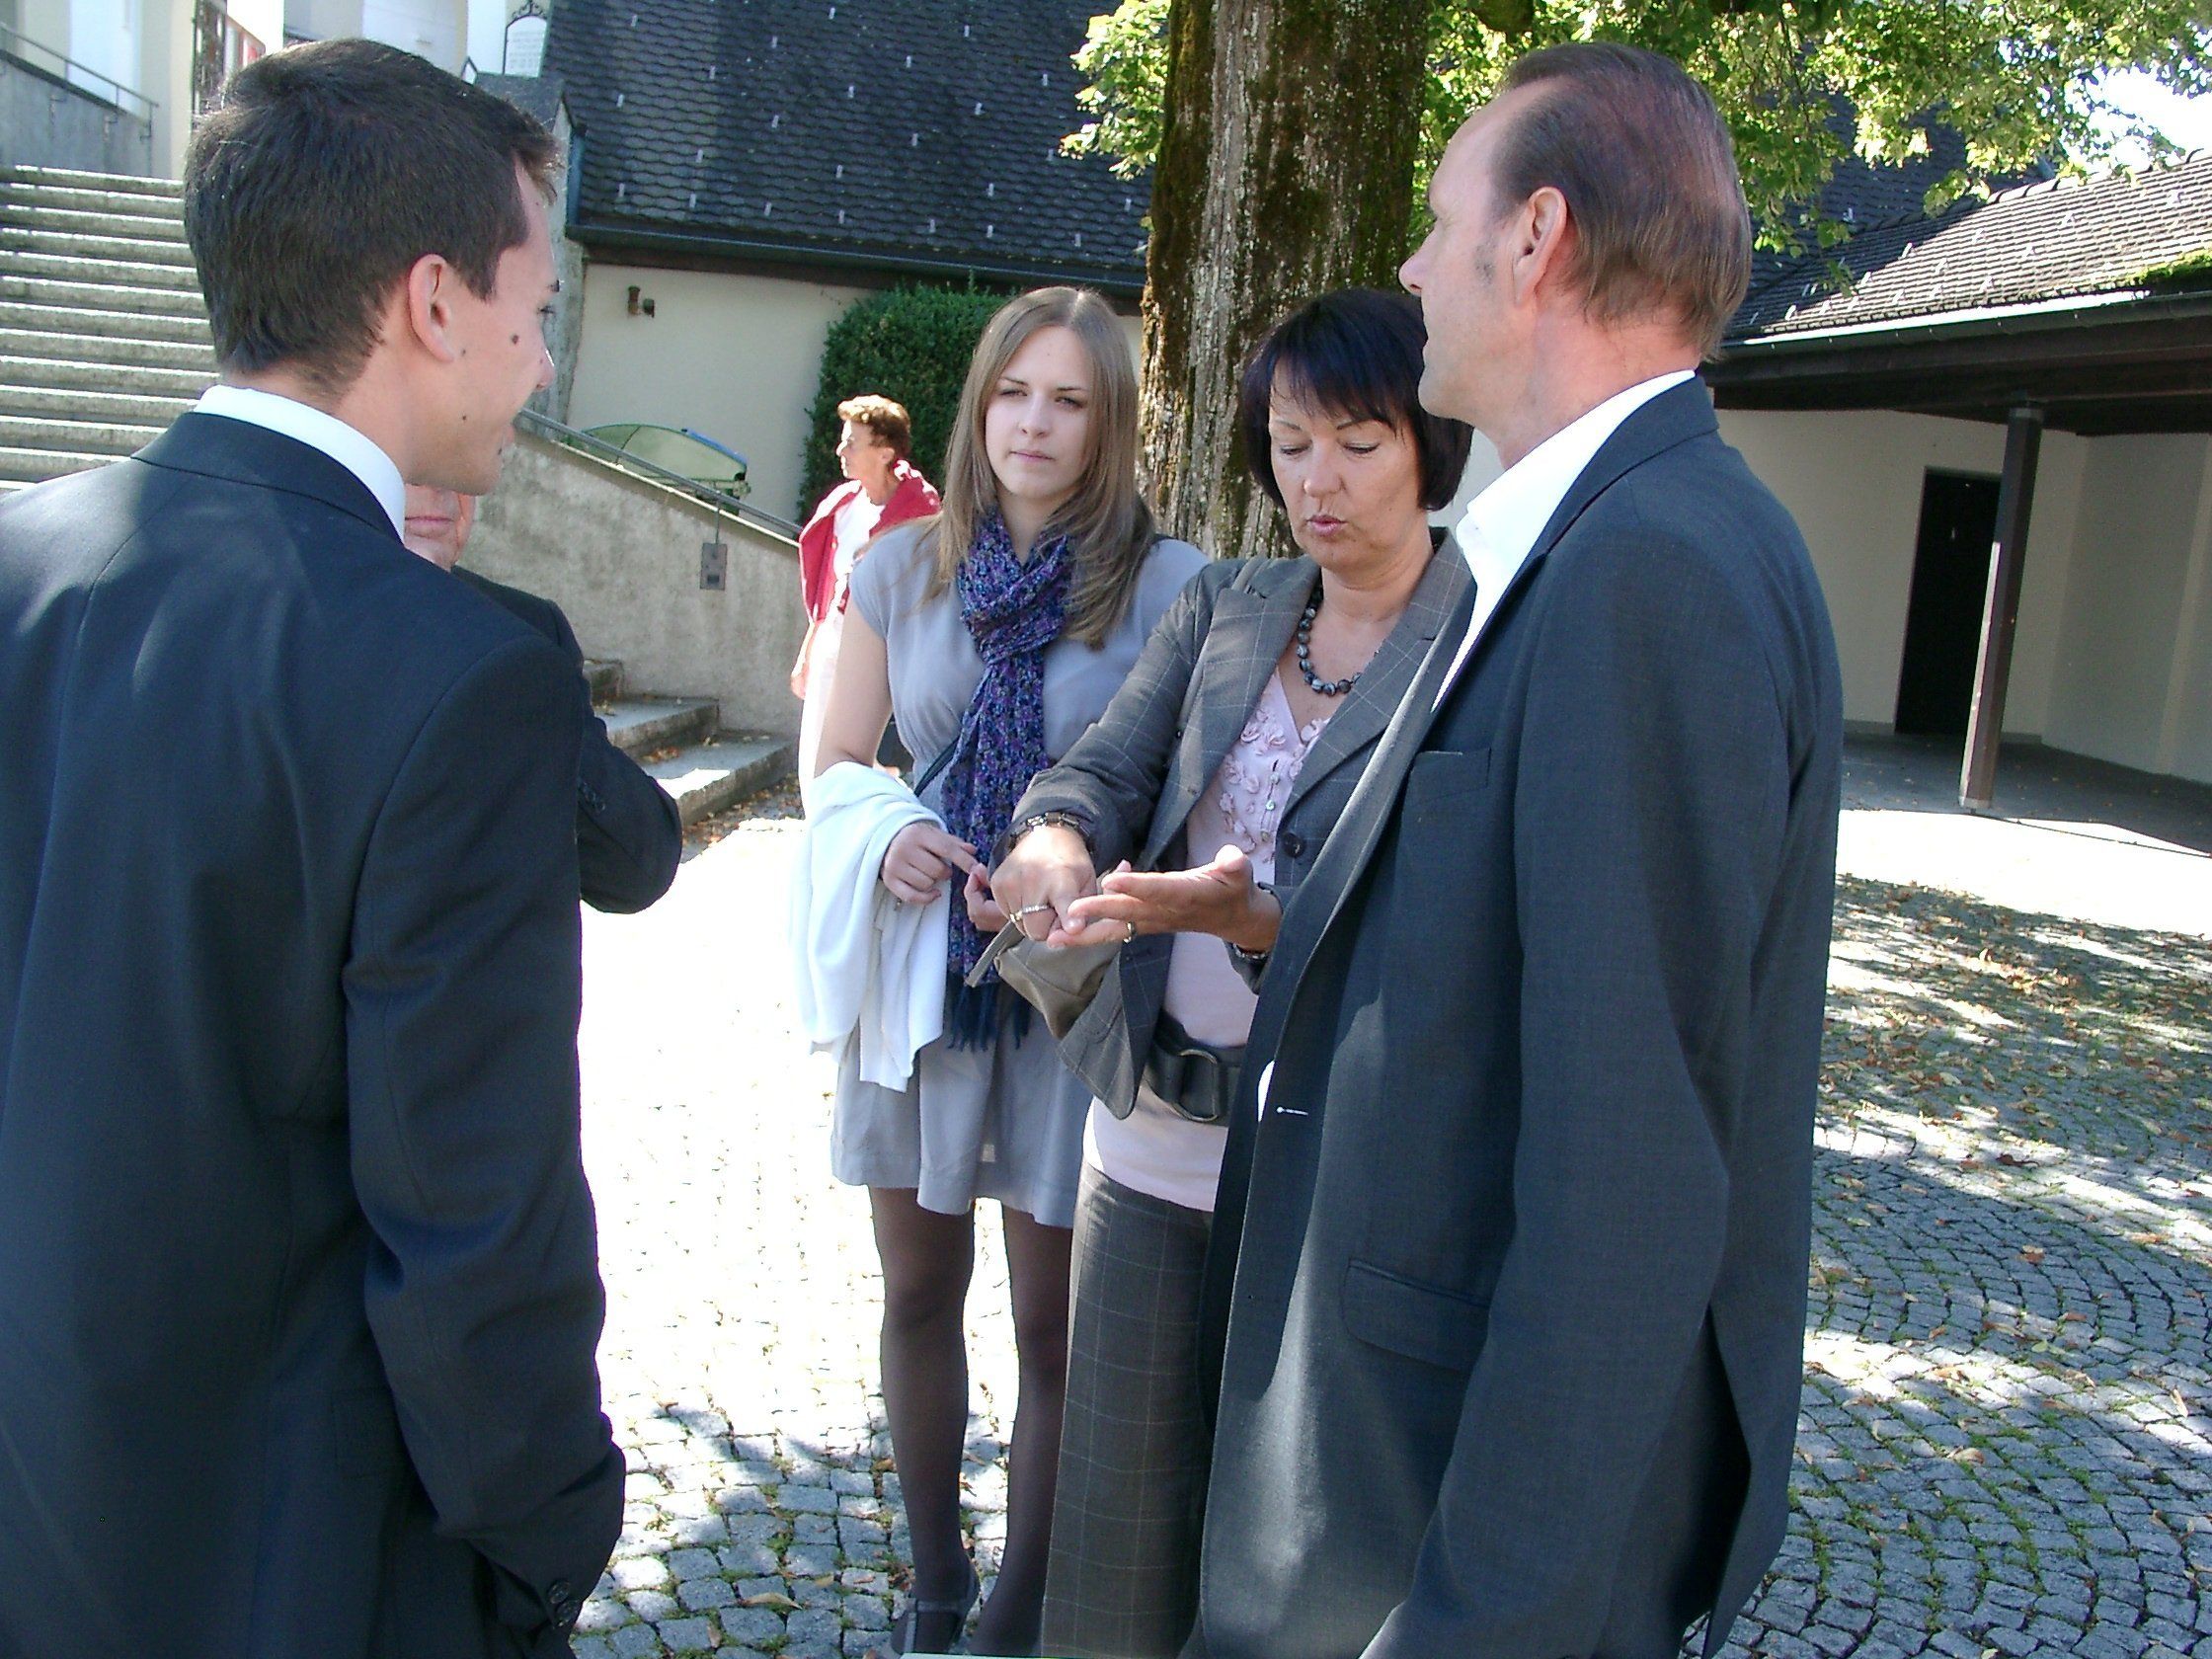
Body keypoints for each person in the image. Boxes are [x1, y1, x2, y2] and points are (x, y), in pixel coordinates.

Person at [1190, 42, 1844, 1659]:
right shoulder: (1582, 543)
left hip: (1435, 1526)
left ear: (1537, 237)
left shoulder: (1651, 571)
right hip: (1376, 1460)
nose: (1412, 269)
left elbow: (1630, 1172)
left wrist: (1477, 1625)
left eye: (1438, 219)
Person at [0, 40, 622, 1659]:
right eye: (536, 306)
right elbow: (476, 1227)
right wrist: (548, 1544)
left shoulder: (18, 561)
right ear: (434, 303)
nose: (541, 360)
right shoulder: (460, 674)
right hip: (295, 1559)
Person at [988, 289, 1471, 1659]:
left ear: (1431, 441)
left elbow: (1455, 917)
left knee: (1292, 1570)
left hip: (1336, 1176)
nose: (1318, 481)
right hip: (1150, 1144)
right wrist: (1054, 839)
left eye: (1358, 443)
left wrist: (1257, 925)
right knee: (1115, 1548)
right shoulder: (1230, 606)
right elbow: (1102, 768)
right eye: (1290, 444)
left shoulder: (1484, 639)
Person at [807, 286, 1207, 1655]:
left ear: (1111, 422)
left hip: (1071, 993)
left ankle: (1014, 1618)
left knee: (1056, 1325)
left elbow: (1180, 792)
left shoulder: (1171, 587)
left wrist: (1083, 872)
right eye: (1012, 394)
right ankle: (935, 1591)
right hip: (925, 977)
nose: (1033, 424)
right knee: (917, 1290)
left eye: (1069, 400)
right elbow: (834, 763)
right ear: (978, 409)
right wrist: (893, 834)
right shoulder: (901, 570)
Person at [404, 484, 683, 913]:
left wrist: (497, 669)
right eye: (411, 466)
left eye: (458, 464)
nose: (438, 487)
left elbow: (636, 867)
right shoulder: (300, 615)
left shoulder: (526, 627)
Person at [794, 396, 942, 776]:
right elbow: (829, 587)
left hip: (882, 645)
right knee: (814, 752)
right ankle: (822, 814)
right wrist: (808, 650)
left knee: (859, 757)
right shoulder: (842, 504)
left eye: (851, 442)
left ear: (884, 453)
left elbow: (929, 592)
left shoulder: (919, 511)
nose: (840, 450)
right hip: (834, 637)